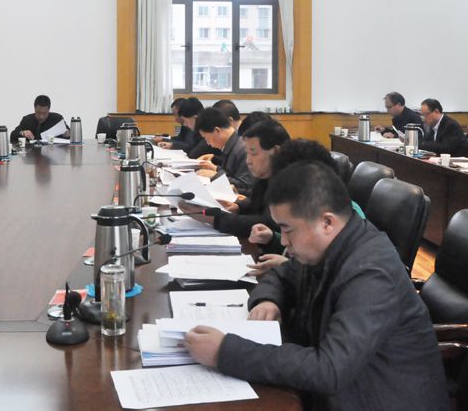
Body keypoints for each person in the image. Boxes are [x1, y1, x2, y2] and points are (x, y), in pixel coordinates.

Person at [184, 161, 448, 411]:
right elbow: (283, 274)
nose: (283, 241)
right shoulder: (329, 244)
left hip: (380, 398)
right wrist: (268, 299)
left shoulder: (371, 274)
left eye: (288, 229)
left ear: (327, 222)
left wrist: (225, 352)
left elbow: (330, 370)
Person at [246, 139, 367, 277]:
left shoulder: (350, 218)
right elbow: (306, 246)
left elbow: (333, 273)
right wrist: (272, 239)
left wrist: (288, 267)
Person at [209, 119, 290, 240]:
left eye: (253, 153)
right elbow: (257, 203)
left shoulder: (291, 181)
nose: (248, 161)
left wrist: (215, 219)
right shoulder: (266, 176)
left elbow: (268, 222)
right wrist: (239, 207)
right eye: (247, 153)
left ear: (276, 151)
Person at [195, 108, 254, 194]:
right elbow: (230, 173)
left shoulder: (243, 149)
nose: (208, 143)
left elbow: (244, 185)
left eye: (206, 138)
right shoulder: (232, 143)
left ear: (217, 131)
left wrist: (215, 175)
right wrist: (214, 168)